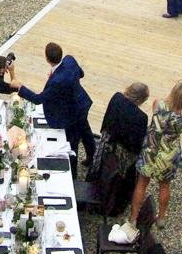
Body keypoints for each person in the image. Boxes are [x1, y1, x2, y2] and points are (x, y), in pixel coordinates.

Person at [115, 80, 182, 241]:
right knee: (164, 185)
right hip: (168, 153)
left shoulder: (158, 104)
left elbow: (165, 102)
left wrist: (176, 93)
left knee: (141, 184)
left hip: (151, 149)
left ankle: (133, 217)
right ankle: (161, 217)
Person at [18, 42, 94, 176]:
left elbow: (38, 99)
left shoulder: (56, 81)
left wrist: (20, 88)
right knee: (86, 132)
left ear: (47, 58)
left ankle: (73, 175)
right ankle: (92, 157)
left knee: (72, 143)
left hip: (72, 112)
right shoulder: (69, 60)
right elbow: (81, 74)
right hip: (82, 102)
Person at [89, 82, 149, 217]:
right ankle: (113, 205)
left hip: (106, 143)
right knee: (125, 174)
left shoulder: (116, 98)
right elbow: (136, 143)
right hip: (122, 153)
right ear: (141, 100)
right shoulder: (141, 117)